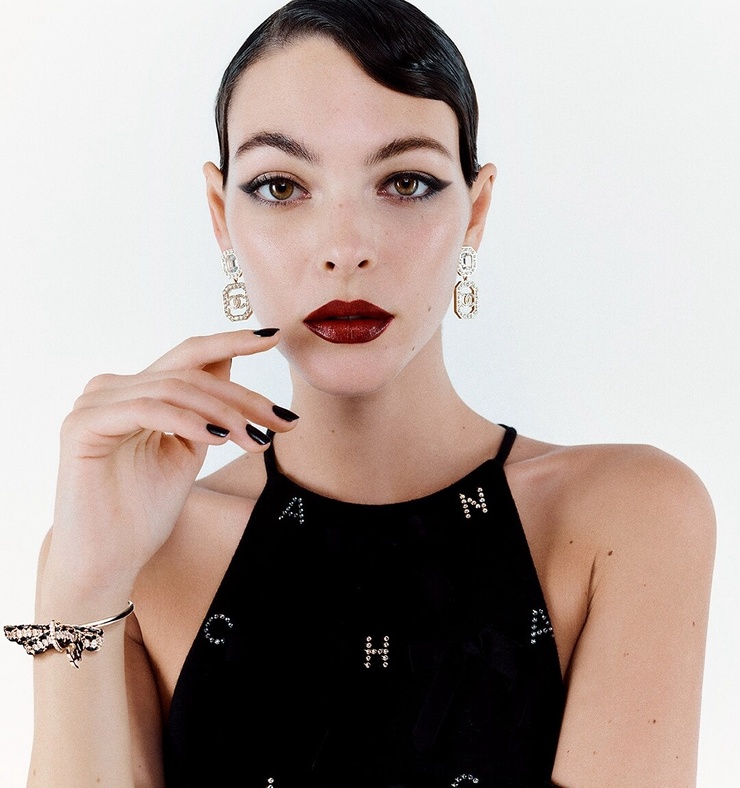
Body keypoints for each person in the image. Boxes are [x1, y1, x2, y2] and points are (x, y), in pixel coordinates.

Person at [14, 0, 714, 785]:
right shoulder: (138, 550)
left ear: (476, 210)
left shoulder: (624, 516)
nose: (345, 249)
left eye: (406, 182)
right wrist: (80, 587)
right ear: (221, 215)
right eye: (281, 186)